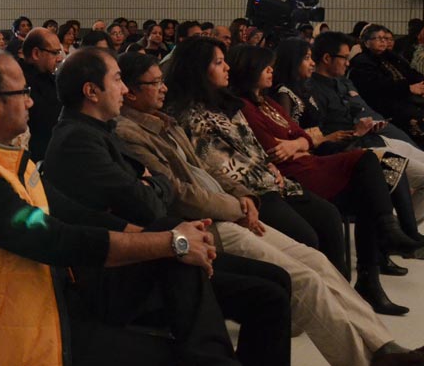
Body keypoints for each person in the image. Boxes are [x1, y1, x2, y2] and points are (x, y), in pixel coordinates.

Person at [0, 50, 249, 366]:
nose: (31, 102)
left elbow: (72, 213)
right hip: (16, 341)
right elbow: (53, 238)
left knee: (177, 247)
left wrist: (164, 237)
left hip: (54, 303)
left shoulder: (5, 157)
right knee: (182, 338)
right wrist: (171, 243)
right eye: (23, 93)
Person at [114, 51, 424, 365]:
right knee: (303, 277)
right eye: (154, 83)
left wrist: (245, 197)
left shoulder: (166, 121)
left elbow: (209, 172)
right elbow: (180, 193)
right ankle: (367, 361)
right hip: (203, 223)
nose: (163, 88)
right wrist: (238, 204)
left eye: (162, 81)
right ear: (130, 92)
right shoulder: (133, 132)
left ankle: (384, 345)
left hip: (236, 202)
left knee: (316, 260)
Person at [42, 47, 292, 366]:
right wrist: (156, 191)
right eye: (117, 80)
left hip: (146, 247)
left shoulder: (98, 131)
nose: (124, 89)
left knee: (276, 280)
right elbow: (151, 206)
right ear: (91, 91)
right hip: (119, 271)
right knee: (264, 294)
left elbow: (157, 187)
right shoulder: (78, 141)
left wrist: (153, 185)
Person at [228, 44, 424, 314]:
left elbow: (305, 135)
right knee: (373, 163)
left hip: (320, 155)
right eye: (265, 66)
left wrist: (299, 143)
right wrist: (305, 141)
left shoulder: (276, 100)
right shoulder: (260, 102)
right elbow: (277, 147)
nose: (271, 70)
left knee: (380, 173)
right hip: (305, 165)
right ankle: (389, 238)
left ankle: (376, 264)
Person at [164, 37, 347, 273]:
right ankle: (319, 286)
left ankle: (342, 285)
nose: (227, 67)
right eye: (219, 63)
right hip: (249, 192)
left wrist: (270, 166)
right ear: (198, 69)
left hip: (271, 180)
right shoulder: (186, 115)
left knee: (329, 215)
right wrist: (264, 172)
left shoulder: (227, 103)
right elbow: (213, 165)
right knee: (306, 235)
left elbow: (252, 144)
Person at [308, 32, 424, 228]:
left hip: (372, 139)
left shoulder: (339, 82)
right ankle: (401, 230)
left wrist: (366, 123)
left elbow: (356, 108)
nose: (348, 63)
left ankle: (400, 228)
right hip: (358, 151)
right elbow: (322, 141)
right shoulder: (312, 91)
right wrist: (356, 132)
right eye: (344, 58)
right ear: (327, 58)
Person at [349, 24, 424, 142]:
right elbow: (378, 86)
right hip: (386, 105)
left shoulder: (390, 57)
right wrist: (408, 88)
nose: (384, 41)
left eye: (386, 38)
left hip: (406, 98)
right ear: (367, 42)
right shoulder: (362, 61)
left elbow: (410, 72)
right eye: (379, 38)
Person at [20, 28, 63, 162]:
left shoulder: (51, 77)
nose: (59, 58)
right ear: (36, 53)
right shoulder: (18, 82)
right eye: (55, 53)